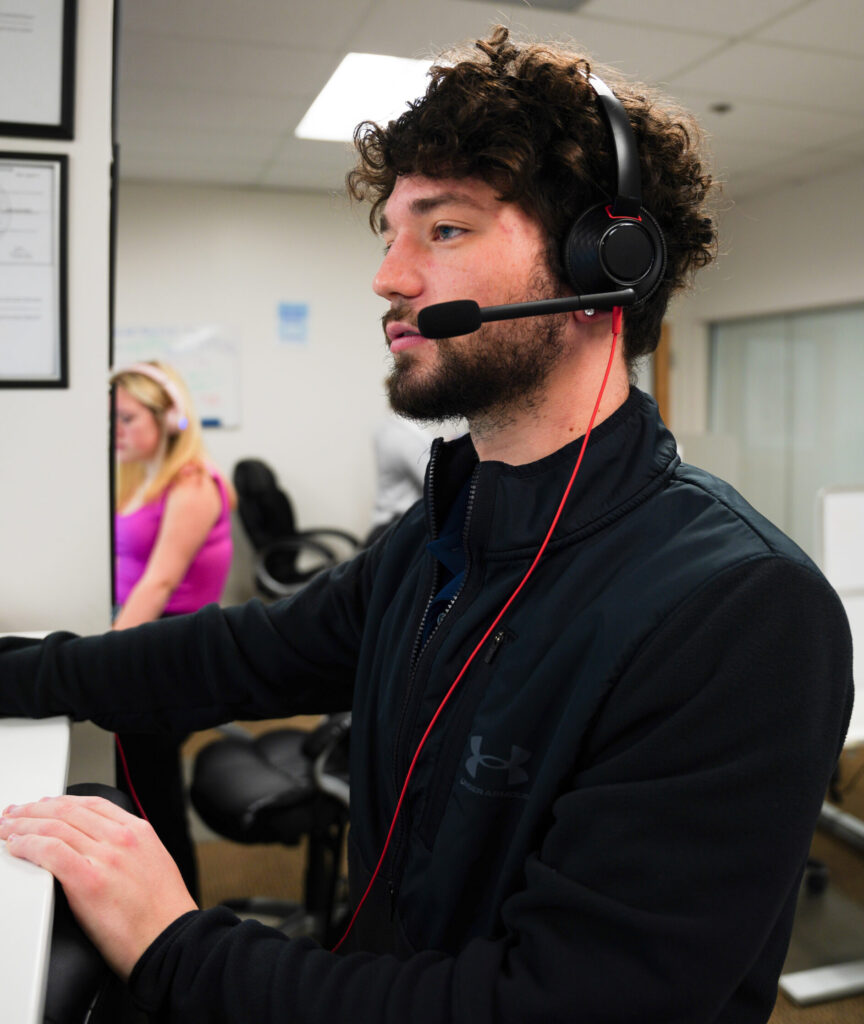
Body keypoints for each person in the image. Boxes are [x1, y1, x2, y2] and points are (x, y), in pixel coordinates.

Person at [0, 27, 853, 1024]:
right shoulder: (449, 531)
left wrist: (179, 946)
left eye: (443, 230)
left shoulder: (740, 610)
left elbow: (554, 1006)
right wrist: (16, 672)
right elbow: (238, 654)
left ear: (603, 264)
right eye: (392, 233)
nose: (390, 277)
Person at [110, 360, 235, 901]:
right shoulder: (139, 476)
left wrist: (95, 659)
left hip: (166, 654)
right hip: (140, 638)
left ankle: (181, 924)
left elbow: (159, 583)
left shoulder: (192, 484)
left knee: (154, 802)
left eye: (126, 418)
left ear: (172, 421)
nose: (115, 431)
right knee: (138, 790)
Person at [365, 410, 431, 545]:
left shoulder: (387, 428)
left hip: (387, 525)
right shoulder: (407, 438)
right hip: (398, 528)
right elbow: (438, 485)